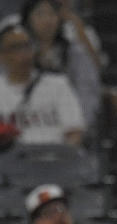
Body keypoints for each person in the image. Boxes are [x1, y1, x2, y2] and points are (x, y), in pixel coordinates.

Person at [20, 0, 101, 131]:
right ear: (28, 19)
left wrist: (78, 125)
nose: (47, 20)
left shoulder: (75, 53)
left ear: (60, 19)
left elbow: (87, 90)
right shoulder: (15, 52)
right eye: (40, 14)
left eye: (52, 14)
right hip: (24, 120)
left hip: (66, 121)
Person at [0, 22, 84, 145]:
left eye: (27, 46)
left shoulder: (58, 84)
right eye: (15, 47)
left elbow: (74, 131)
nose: (24, 53)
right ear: (2, 55)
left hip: (53, 157)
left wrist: (62, 158)